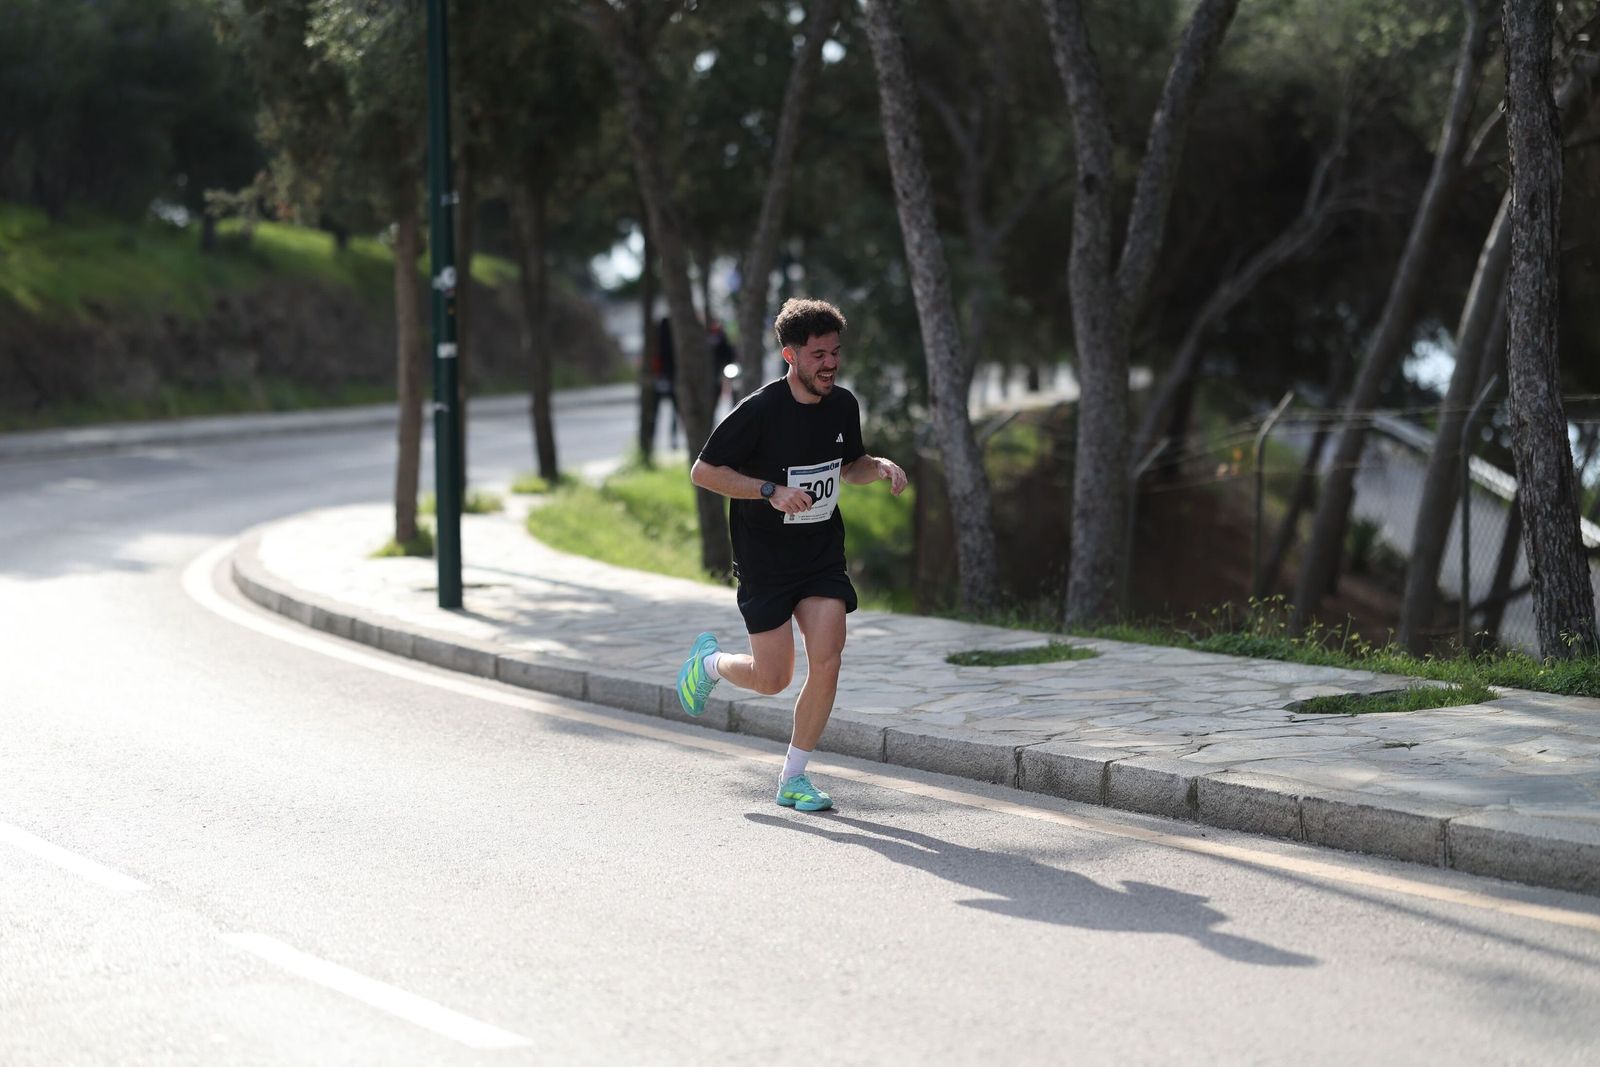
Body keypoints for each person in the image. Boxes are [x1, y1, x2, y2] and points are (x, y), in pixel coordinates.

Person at [675, 298, 908, 812]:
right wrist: (768, 491)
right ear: (790, 355)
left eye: (835, 353)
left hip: (821, 554)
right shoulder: (758, 411)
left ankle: (793, 778)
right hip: (765, 561)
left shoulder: (843, 404)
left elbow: (850, 466)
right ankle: (710, 663)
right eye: (818, 354)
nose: (829, 363)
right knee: (772, 678)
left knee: (828, 659)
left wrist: (881, 466)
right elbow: (703, 472)